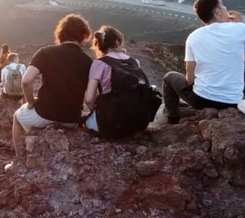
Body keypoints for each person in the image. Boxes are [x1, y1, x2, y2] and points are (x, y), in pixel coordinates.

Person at [162, 0, 245, 124]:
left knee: (169, 77)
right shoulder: (240, 28)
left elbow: (190, 79)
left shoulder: (193, 37)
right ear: (217, 11)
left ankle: (171, 116)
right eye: (223, 6)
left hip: (202, 100)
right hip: (233, 102)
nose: (225, 8)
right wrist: (241, 25)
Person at [12, 13, 93, 156]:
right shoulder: (88, 61)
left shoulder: (45, 52)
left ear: (61, 33)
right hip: (71, 119)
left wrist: (30, 102)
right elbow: (91, 97)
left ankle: (19, 158)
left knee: (17, 118)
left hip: (43, 114)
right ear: (83, 36)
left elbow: (26, 81)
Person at [83, 26, 158, 137]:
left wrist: (96, 111)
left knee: (86, 122)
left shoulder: (99, 64)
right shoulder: (134, 62)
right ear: (118, 41)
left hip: (110, 125)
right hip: (137, 124)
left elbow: (89, 99)